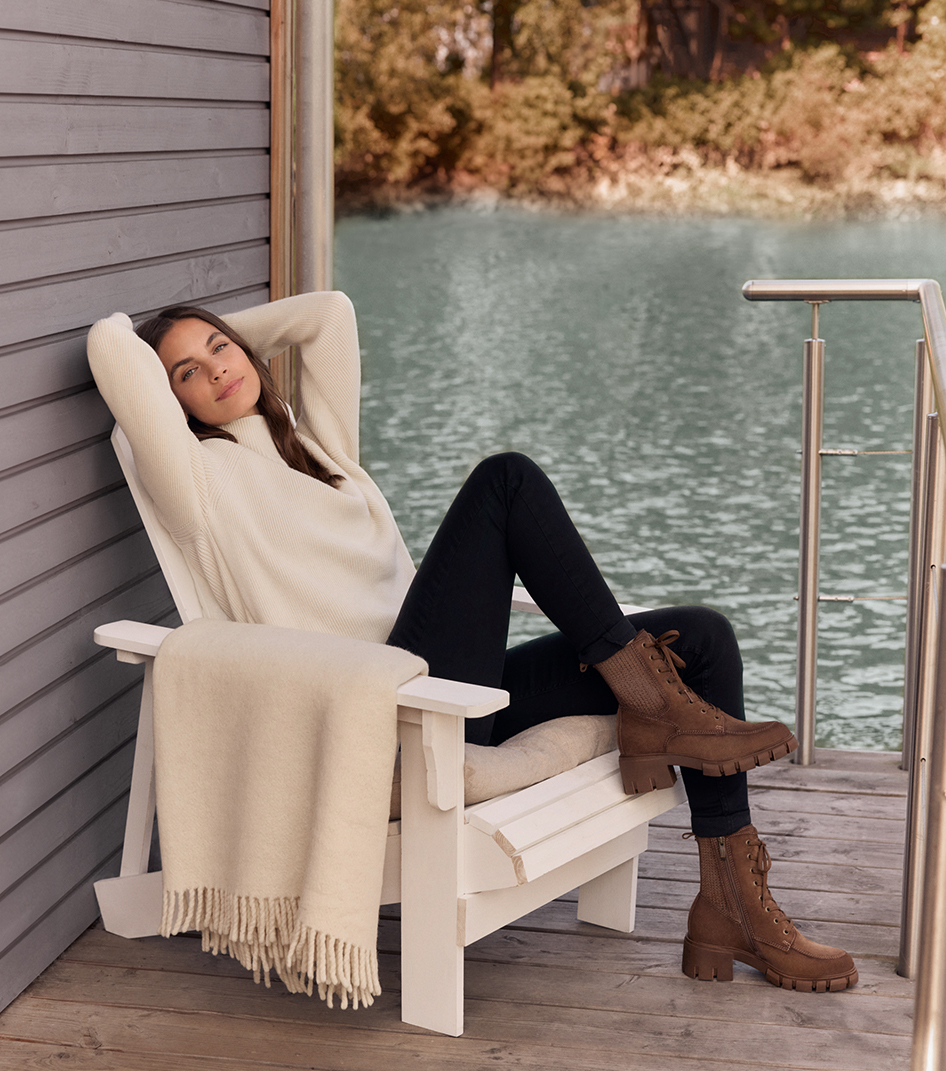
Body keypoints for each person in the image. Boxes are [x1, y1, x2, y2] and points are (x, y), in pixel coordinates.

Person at [86, 290, 858, 994]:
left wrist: (220, 340)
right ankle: (650, 701)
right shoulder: (196, 483)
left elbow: (330, 315)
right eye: (186, 373)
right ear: (168, 401)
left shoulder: (322, 453)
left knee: (704, 638)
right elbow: (108, 345)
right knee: (505, 482)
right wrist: (189, 342)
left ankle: (733, 905)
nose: (216, 370)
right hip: (388, 710)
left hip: (454, 686)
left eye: (221, 349)